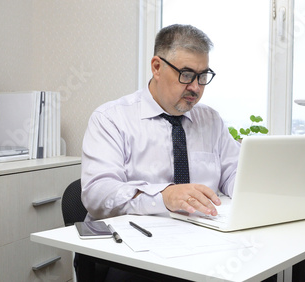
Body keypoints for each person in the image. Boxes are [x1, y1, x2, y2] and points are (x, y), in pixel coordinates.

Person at [81, 23, 240, 221]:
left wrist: (259, 190)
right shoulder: (111, 119)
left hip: (199, 238)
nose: (196, 87)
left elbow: (235, 174)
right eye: (187, 75)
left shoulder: (211, 121)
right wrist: (163, 197)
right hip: (129, 241)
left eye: (202, 76)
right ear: (157, 67)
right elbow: (98, 194)